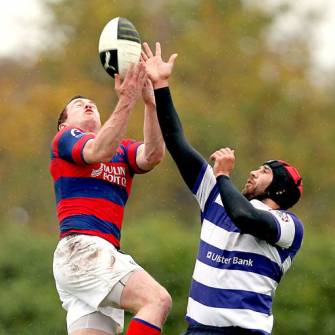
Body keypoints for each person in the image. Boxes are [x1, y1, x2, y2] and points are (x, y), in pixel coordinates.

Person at [142, 42, 304, 335]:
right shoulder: (216, 196)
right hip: (198, 330)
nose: (254, 171)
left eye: (265, 172)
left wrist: (224, 176)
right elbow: (177, 143)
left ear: (280, 190)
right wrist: (162, 86)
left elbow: (245, 218)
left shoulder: (289, 226)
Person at [50, 62, 172, 335]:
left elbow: (152, 155)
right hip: (83, 250)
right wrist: (127, 100)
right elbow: (97, 151)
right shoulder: (66, 139)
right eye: (79, 104)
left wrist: (151, 106)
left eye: (92, 103)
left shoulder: (122, 148)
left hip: (96, 256)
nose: (88, 105)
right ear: (63, 123)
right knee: (157, 300)